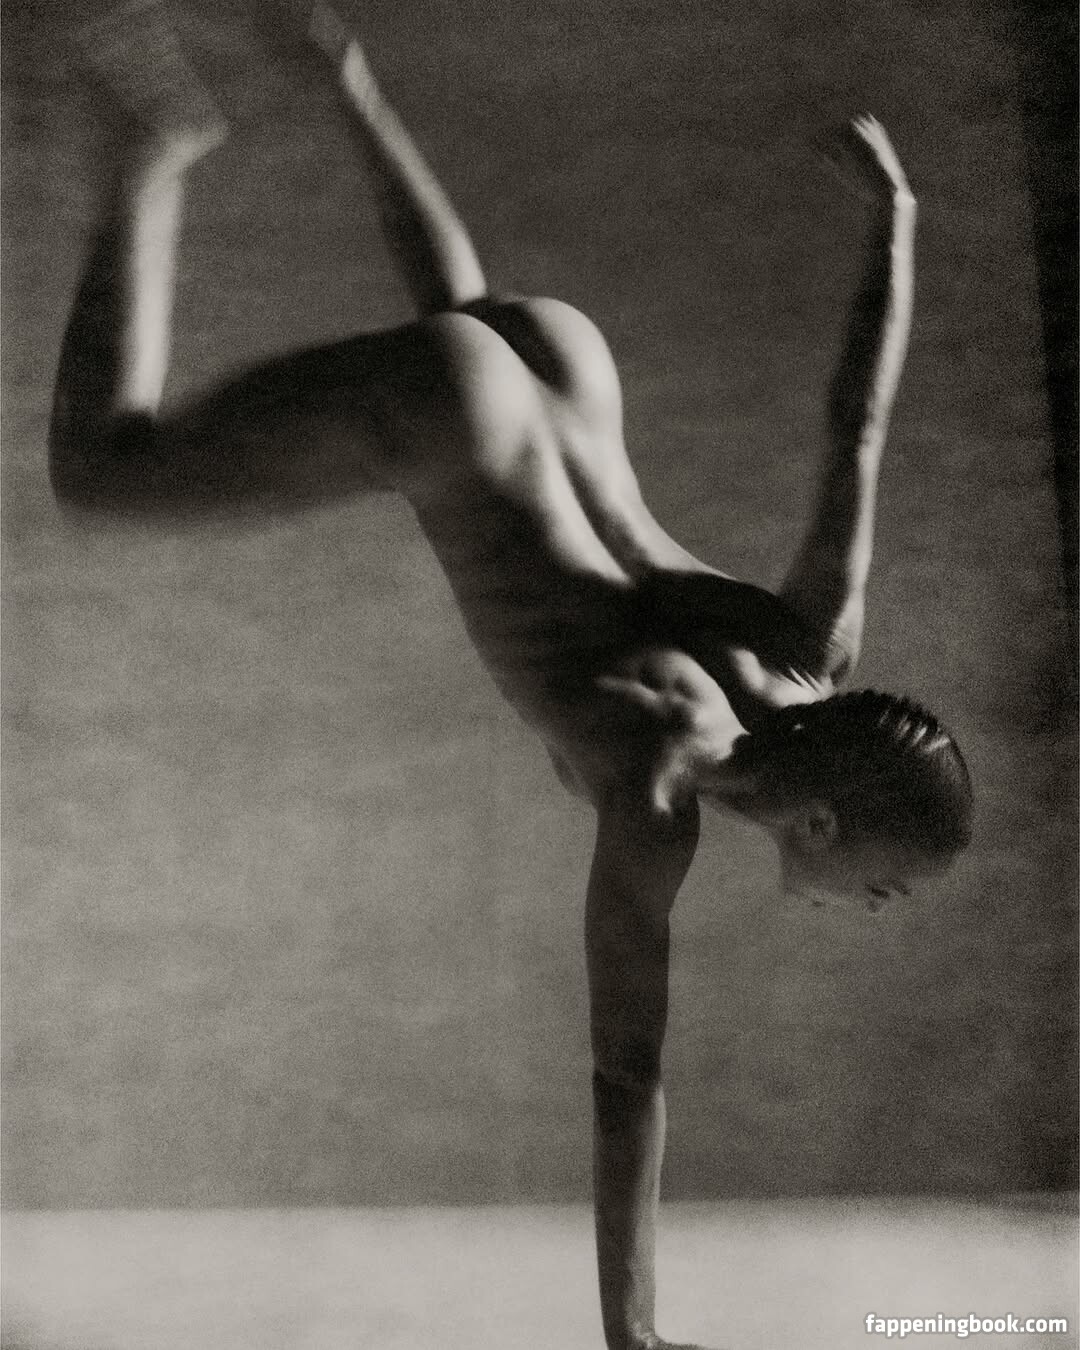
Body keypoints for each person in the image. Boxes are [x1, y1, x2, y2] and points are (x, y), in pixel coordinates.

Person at [50, 5, 973, 1347]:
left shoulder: (809, 645)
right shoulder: (662, 782)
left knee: (464, 336)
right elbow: (627, 1075)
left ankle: (348, 81)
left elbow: (859, 426)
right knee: (102, 473)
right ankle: (149, 148)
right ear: (823, 824)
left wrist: (896, 217)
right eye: (886, 884)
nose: (874, 908)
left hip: (556, 363)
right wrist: (632, 1331)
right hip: (462, 418)